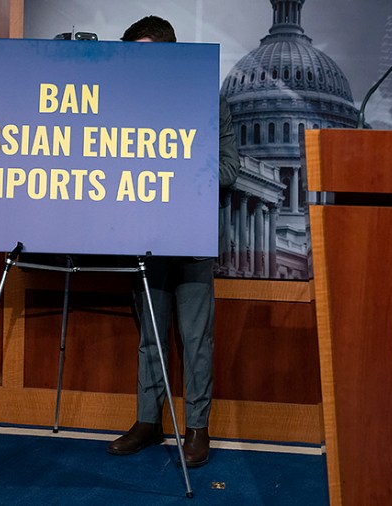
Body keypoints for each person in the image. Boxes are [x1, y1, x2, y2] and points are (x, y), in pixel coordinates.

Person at [106, 15, 240, 468]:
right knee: (150, 338)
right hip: (144, 236)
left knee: (195, 339)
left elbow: (229, 169)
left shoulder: (206, 98)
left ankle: (197, 429)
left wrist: (178, 175)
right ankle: (149, 422)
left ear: (171, 54)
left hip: (193, 239)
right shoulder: (124, 105)